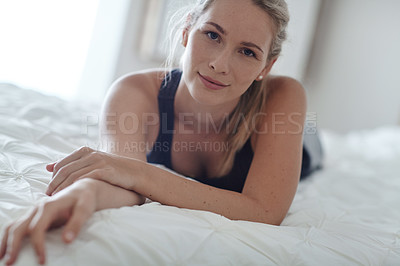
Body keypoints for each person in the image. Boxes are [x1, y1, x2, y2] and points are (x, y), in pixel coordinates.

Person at [0, 0, 323, 265]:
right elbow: (120, 177)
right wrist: (82, 193)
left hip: (301, 142)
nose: (220, 64)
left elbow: (265, 211)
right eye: (212, 35)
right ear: (186, 30)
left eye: (248, 52)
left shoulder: (284, 95)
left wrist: (139, 174)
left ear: (265, 68)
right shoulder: (133, 92)